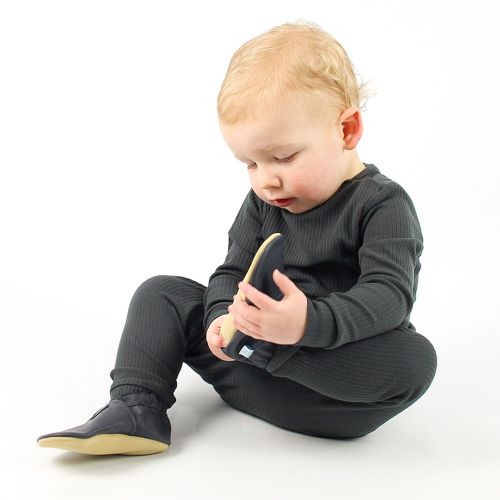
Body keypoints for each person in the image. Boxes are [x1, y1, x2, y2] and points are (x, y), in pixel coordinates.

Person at [37, 20, 437, 456]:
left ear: (346, 130)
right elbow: (232, 269)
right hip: (246, 370)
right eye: (250, 163)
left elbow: (388, 296)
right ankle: (137, 408)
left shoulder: (382, 205)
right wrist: (219, 317)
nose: (266, 180)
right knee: (162, 293)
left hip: (335, 389)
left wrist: (305, 325)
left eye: (282, 157)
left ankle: (266, 347)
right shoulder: (264, 202)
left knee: (416, 362)